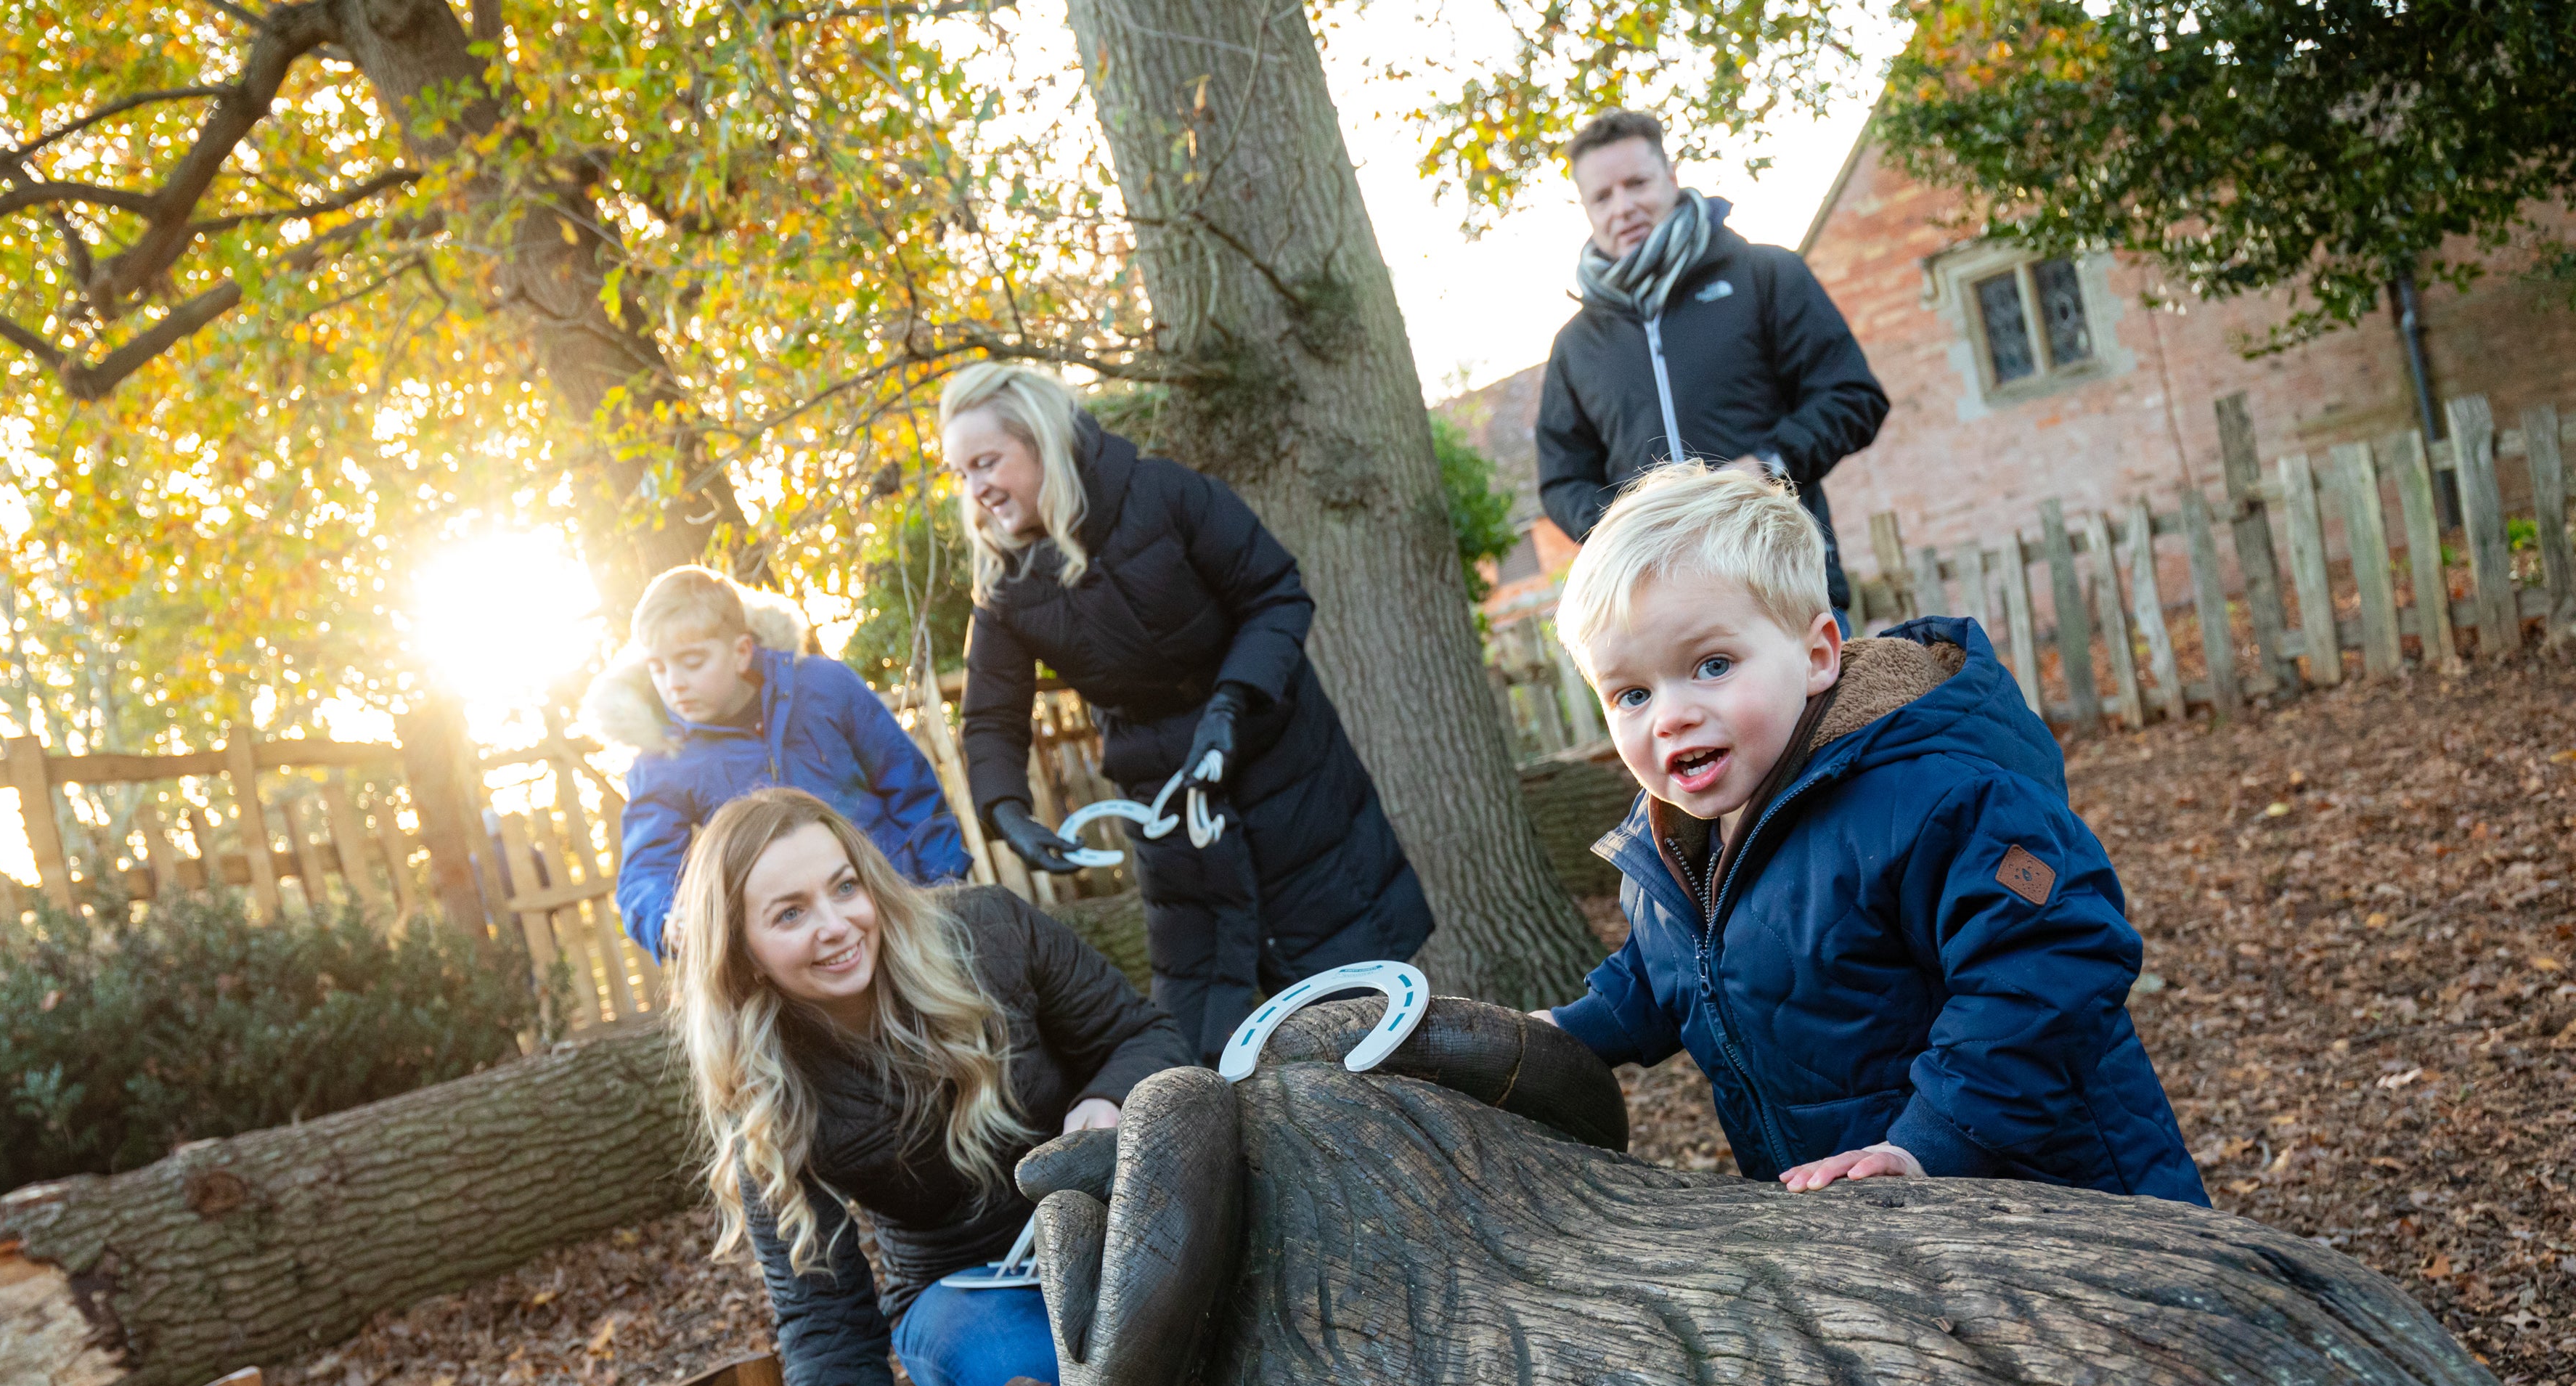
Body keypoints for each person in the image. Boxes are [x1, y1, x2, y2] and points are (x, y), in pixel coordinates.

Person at [1538, 462, 2208, 1204]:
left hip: (2051, 1194)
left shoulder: (1936, 798)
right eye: (1631, 693)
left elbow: (2052, 954)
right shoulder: (1677, 840)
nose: (1669, 716)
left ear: (1817, 653)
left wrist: (1932, 1142)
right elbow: (1673, 967)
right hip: (1868, 1222)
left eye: (1712, 665)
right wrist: (1572, 1032)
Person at [672, 786, 1199, 1386]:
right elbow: (824, 1327)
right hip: (959, 1283)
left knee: (1176, 1306)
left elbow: (1145, 1035)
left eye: (845, 887)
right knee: (1022, 1369)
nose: (837, 924)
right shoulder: (767, 1095)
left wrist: (1105, 1097)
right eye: (790, 912)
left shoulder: (988, 930)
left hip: (1103, 1224)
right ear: (741, 949)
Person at [939, 362, 1432, 1059]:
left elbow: (1276, 594)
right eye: (961, 474)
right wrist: (1009, 812)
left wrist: (1230, 708)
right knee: (1205, 1037)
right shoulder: (1005, 586)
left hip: (1287, 776)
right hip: (1171, 814)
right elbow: (992, 718)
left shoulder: (1166, 494)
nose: (977, 489)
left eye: (986, 462)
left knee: (1363, 1009)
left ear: (1042, 441)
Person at [1536, 109, 1888, 621]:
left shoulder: (1767, 275)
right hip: (1659, 610)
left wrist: (1770, 465)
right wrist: (1631, 523)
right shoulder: (1575, 346)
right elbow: (1561, 480)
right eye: (1603, 197)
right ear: (1587, 209)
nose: (1624, 206)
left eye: (1637, 183)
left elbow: (1853, 396)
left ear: (1672, 177)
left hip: (1782, 582)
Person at [588, 566, 971, 958]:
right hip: (796, 944)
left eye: (692, 661)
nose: (674, 683)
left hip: (896, 901)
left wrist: (941, 884)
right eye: (658, 667)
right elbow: (646, 868)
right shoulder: (663, 760)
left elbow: (907, 783)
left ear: (740, 653)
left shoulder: (823, 686)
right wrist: (668, 920)